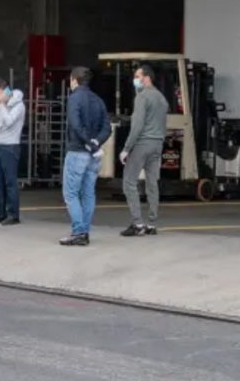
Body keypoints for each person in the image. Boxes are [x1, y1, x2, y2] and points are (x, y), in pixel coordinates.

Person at [60, 67, 111, 247]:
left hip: (77, 151)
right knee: (88, 193)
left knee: (71, 193)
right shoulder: (98, 100)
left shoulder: (74, 98)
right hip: (94, 155)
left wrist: (87, 142)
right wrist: (96, 142)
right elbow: (107, 128)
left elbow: (75, 124)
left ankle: (79, 232)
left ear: (74, 80)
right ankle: (85, 231)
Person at [119, 64, 169, 237]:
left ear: (147, 78)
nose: (135, 80)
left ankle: (137, 223)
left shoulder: (142, 97)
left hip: (142, 144)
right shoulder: (162, 98)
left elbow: (137, 125)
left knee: (129, 182)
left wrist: (126, 148)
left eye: (138, 76)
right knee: (152, 183)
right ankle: (152, 223)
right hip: (157, 144)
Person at [0, 78, 25, 225]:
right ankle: (0, 212)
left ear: (6, 91)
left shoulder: (18, 105)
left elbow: (9, 122)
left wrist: (3, 105)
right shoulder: (1, 106)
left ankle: (13, 214)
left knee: (10, 182)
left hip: (10, 146)